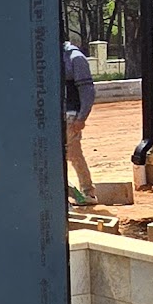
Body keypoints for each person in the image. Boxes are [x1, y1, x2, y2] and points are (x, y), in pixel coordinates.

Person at [62, 38, 96, 203]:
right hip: (55, 116)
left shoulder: (75, 58)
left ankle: (88, 193)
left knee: (73, 154)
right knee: (59, 156)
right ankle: (68, 194)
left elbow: (87, 90)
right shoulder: (52, 57)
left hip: (71, 115)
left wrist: (82, 117)